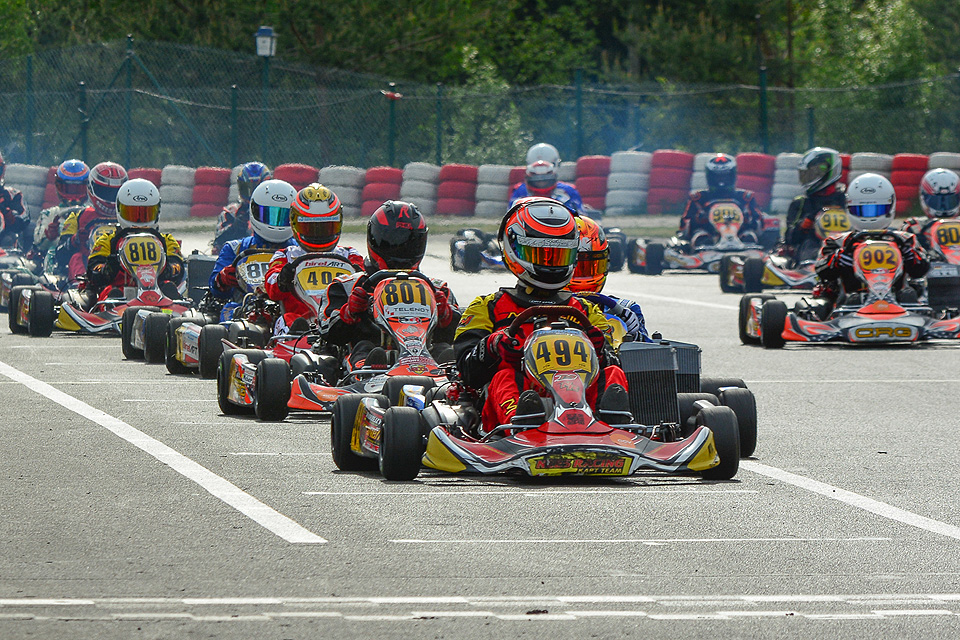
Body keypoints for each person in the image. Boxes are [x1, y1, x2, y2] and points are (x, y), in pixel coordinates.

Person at [454, 197, 631, 432]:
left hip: (580, 395)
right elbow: (467, 372)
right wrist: (493, 346)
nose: (550, 264)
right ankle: (522, 424)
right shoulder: (488, 306)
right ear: (514, 248)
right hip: (518, 398)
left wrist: (602, 352)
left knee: (613, 372)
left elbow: (613, 360)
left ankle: (612, 425)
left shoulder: (586, 310)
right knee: (505, 376)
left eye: (559, 256)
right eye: (540, 254)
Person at [320, 200, 459, 367]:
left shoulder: (437, 289)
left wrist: (446, 315)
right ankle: (367, 373)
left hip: (425, 358)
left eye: (408, 243)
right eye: (391, 241)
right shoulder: (346, 287)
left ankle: (447, 378)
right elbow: (327, 332)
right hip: (370, 360)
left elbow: (463, 334)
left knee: (445, 350)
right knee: (366, 347)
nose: (400, 248)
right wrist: (350, 312)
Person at [812, 173, 928, 318]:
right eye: (862, 211)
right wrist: (839, 258)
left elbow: (922, 269)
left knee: (910, 293)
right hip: (849, 302)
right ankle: (849, 308)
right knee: (841, 298)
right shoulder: (837, 241)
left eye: (877, 210)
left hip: (898, 301)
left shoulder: (905, 239)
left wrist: (909, 255)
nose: (870, 217)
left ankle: (908, 310)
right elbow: (821, 270)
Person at [262, 182, 365, 335]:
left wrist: (359, 276)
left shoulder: (349, 255)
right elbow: (271, 286)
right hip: (301, 321)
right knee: (286, 320)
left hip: (341, 319)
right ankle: (295, 344)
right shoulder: (286, 256)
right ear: (294, 224)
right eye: (311, 228)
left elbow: (366, 284)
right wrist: (282, 279)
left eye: (326, 228)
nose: (318, 236)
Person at [86, 178, 184, 301]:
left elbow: (178, 269)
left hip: (158, 293)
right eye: (131, 213)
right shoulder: (108, 241)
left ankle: (170, 305)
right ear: (119, 209)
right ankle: (111, 306)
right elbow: (93, 271)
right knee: (110, 291)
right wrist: (110, 267)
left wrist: (167, 268)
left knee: (169, 287)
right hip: (120, 293)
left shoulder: (166, 241)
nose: (139, 221)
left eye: (145, 214)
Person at [210, 180, 299, 302]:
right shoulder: (235, 248)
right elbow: (215, 291)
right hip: (244, 309)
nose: (275, 224)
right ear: (254, 211)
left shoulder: (298, 251)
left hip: (290, 309)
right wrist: (222, 279)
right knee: (228, 311)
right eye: (269, 215)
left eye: (283, 217)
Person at [568, 215, 651, 344]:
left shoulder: (626, 309)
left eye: (590, 267)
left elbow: (648, 356)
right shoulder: (544, 308)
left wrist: (636, 337)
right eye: (576, 268)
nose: (583, 276)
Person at [54, 161, 127, 285]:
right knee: (75, 257)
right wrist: (74, 240)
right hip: (89, 270)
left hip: (124, 266)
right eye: (105, 192)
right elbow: (60, 255)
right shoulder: (78, 216)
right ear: (92, 188)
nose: (110, 198)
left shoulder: (129, 214)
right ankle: (81, 288)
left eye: (115, 193)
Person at [678, 153, 764, 246]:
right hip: (709, 234)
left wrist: (747, 218)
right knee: (700, 237)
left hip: (739, 235)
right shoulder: (698, 198)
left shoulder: (745, 197)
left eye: (725, 176)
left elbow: (759, 221)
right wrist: (700, 219)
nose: (721, 180)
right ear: (710, 177)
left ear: (732, 176)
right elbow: (685, 224)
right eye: (717, 177)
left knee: (750, 236)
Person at [783, 147, 847, 261]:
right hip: (813, 247)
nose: (807, 178)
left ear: (826, 171)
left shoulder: (846, 201)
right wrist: (804, 225)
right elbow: (790, 239)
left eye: (811, 173)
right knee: (810, 246)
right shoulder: (801, 203)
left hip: (844, 245)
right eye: (805, 174)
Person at [30, 159, 89, 265]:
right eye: (69, 188)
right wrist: (50, 236)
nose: (73, 193)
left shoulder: (91, 213)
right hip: (56, 262)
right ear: (59, 187)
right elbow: (38, 245)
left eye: (77, 188)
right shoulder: (49, 214)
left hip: (84, 258)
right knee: (52, 252)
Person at [212, 161, 272, 253]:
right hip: (239, 259)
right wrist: (235, 228)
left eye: (258, 189)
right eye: (248, 189)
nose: (253, 194)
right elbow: (217, 244)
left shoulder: (278, 211)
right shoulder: (231, 213)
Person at [900, 168, 960, 253]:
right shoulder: (915, 227)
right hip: (930, 264)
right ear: (924, 197)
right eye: (937, 201)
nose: (943, 207)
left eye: (949, 201)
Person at [508, 160, 583, 213]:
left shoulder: (568, 190)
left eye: (545, 180)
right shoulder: (520, 190)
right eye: (537, 180)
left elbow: (581, 214)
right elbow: (510, 214)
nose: (541, 183)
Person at [0, 151, 30, 249]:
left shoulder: (13, 195)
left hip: (4, 239)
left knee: (9, 238)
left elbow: (24, 219)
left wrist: (10, 217)